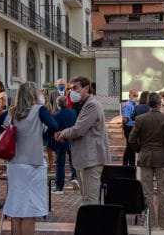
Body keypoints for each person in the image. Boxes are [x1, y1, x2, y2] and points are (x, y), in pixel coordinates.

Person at [0, 81, 58, 235]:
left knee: (16, 207)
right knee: (30, 210)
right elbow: (54, 125)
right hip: (33, 163)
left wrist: (7, 132)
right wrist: (43, 136)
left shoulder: (12, 112)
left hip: (14, 164)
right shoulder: (40, 110)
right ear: (34, 94)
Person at [55, 76, 110, 205]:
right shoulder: (82, 105)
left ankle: (92, 225)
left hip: (91, 159)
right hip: (84, 158)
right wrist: (64, 134)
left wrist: (62, 134)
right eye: (70, 89)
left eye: (75, 88)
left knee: (90, 200)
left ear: (86, 88)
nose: (71, 92)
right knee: (86, 199)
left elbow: (78, 129)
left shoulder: (91, 105)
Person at [128, 92, 164, 230]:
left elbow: (131, 139)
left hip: (145, 157)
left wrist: (140, 150)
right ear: (159, 104)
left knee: (147, 191)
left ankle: (149, 222)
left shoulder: (140, 119)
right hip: (162, 158)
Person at [51, 96, 78, 194]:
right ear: (67, 103)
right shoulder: (73, 113)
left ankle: (59, 187)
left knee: (60, 164)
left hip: (60, 140)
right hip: (72, 139)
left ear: (57, 104)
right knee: (73, 160)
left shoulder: (55, 115)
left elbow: (53, 128)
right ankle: (75, 177)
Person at [121, 89, 138, 166]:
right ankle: (125, 164)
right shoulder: (128, 105)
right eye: (134, 95)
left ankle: (132, 164)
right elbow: (125, 119)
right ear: (130, 95)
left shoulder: (135, 105)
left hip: (133, 126)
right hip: (128, 127)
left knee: (132, 147)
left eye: (137, 95)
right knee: (129, 146)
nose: (136, 97)